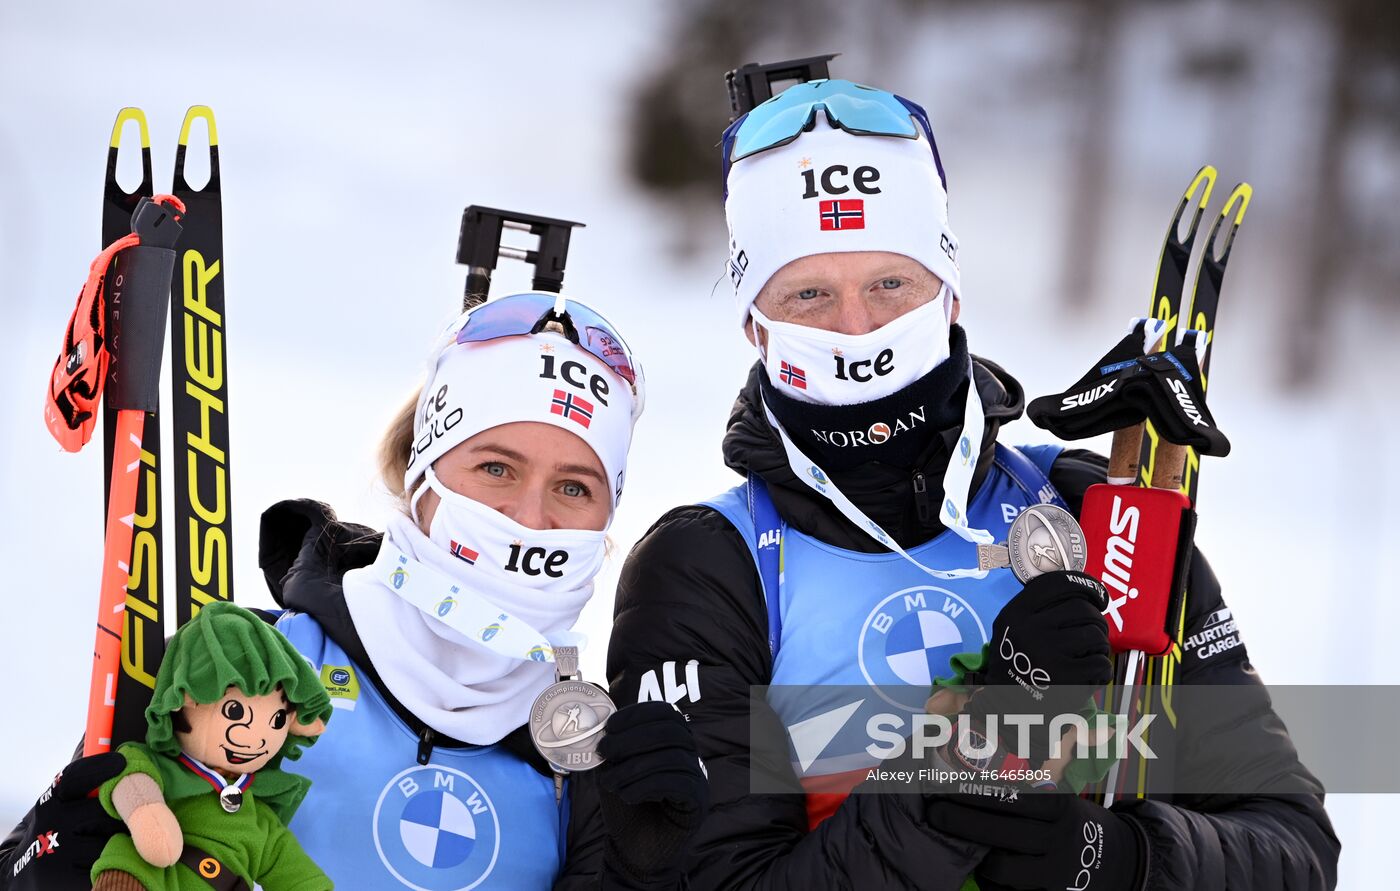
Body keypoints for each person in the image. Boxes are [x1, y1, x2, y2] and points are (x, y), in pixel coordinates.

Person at [606, 78, 1340, 889]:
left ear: (949, 291)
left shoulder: (1092, 507)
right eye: (809, 294)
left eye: (891, 283)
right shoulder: (710, 564)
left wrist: (1116, 858)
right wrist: (981, 743)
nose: (859, 329)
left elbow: (1294, 849)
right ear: (754, 321)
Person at [2, 291, 709, 890]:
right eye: (495, 468)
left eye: (573, 486)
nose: (529, 518)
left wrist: (641, 875)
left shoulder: (592, 757)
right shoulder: (238, 667)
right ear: (420, 477)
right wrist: (53, 864)